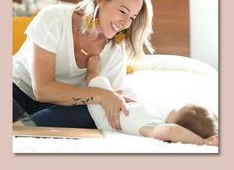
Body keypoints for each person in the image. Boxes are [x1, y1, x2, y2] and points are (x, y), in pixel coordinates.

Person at [13, 0, 154, 129]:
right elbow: (43, 90)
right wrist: (101, 94)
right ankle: (25, 128)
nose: (125, 23)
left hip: (55, 109)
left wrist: (116, 101)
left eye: (132, 18)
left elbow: (112, 105)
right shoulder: (53, 19)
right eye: (122, 12)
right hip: (16, 93)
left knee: (96, 112)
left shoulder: (116, 50)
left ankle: (21, 128)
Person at [86, 55, 219, 146]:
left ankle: (92, 71)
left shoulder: (156, 128)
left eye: (179, 109)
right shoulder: (161, 117)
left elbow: (172, 131)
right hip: (122, 105)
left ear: (179, 124)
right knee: (132, 91)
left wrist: (203, 142)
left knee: (99, 82)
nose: (176, 107)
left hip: (106, 115)